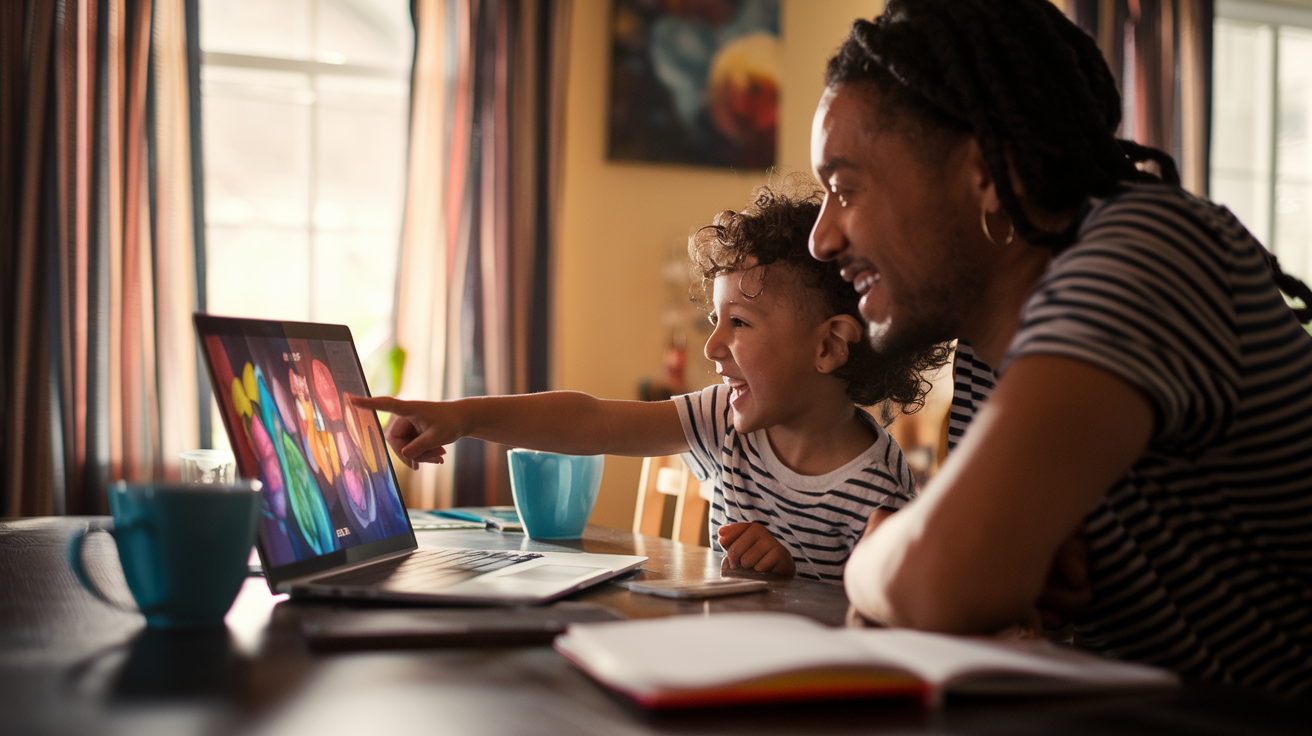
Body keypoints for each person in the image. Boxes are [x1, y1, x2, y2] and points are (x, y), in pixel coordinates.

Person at [811, 0, 1312, 694]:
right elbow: (982, 585)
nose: (822, 239)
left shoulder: (1146, 251)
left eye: (843, 189)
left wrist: (875, 558)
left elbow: (943, 577)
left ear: (986, 171)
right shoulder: (989, 359)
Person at [353, 186, 944, 583]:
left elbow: (877, 617)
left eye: (738, 323)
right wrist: (466, 417)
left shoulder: (877, 490)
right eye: (714, 321)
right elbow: (592, 421)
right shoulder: (723, 419)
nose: (712, 348)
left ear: (828, 347)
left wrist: (791, 573)